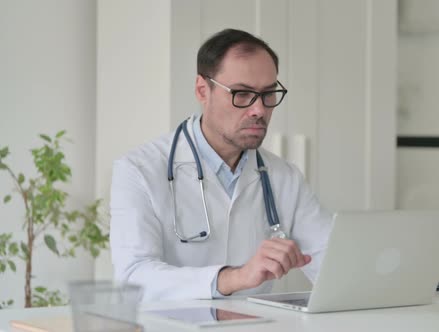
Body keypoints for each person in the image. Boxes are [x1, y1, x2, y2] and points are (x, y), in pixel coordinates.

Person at [109, 28, 333, 301]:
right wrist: (234, 277)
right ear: (203, 90)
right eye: (241, 94)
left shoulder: (284, 178)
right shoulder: (138, 171)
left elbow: (333, 267)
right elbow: (132, 276)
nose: (259, 110)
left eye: (268, 94)